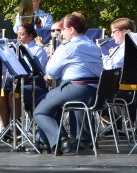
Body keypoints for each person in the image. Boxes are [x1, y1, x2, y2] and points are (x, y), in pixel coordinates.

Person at [32, 12, 102, 155]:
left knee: (39, 112)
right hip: (95, 92)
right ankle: (44, 141)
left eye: (63, 29)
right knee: (48, 104)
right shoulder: (93, 45)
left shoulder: (69, 47)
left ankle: (61, 141)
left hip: (75, 89)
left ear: (71, 29)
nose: (61, 33)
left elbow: (51, 71)